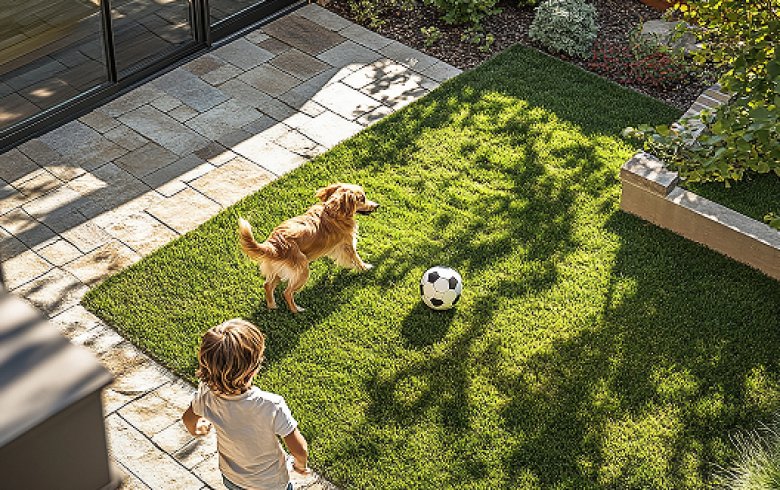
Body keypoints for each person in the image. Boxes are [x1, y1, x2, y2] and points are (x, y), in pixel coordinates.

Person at [182, 319, 310, 490]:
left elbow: (188, 419)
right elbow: (299, 449)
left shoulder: (206, 394)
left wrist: (198, 430)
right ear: (251, 371)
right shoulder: (271, 405)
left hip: (232, 478)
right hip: (272, 484)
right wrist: (300, 466)